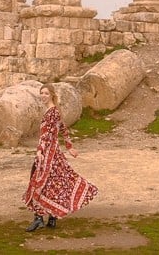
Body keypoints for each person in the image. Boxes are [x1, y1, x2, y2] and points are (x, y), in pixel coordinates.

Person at [22, 84, 98, 231]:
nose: (43, 96)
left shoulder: (52, 112)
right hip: (54, 152)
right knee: (53, 182)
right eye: (41, 93)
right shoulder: (53, 111)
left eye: (45, 93)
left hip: (49, 153)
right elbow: (63, 128)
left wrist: (40, 151)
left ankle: (39, 219)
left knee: (39, 182)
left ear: (51, 95)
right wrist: (69, 147)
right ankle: (52, 218)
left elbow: (47, 135)